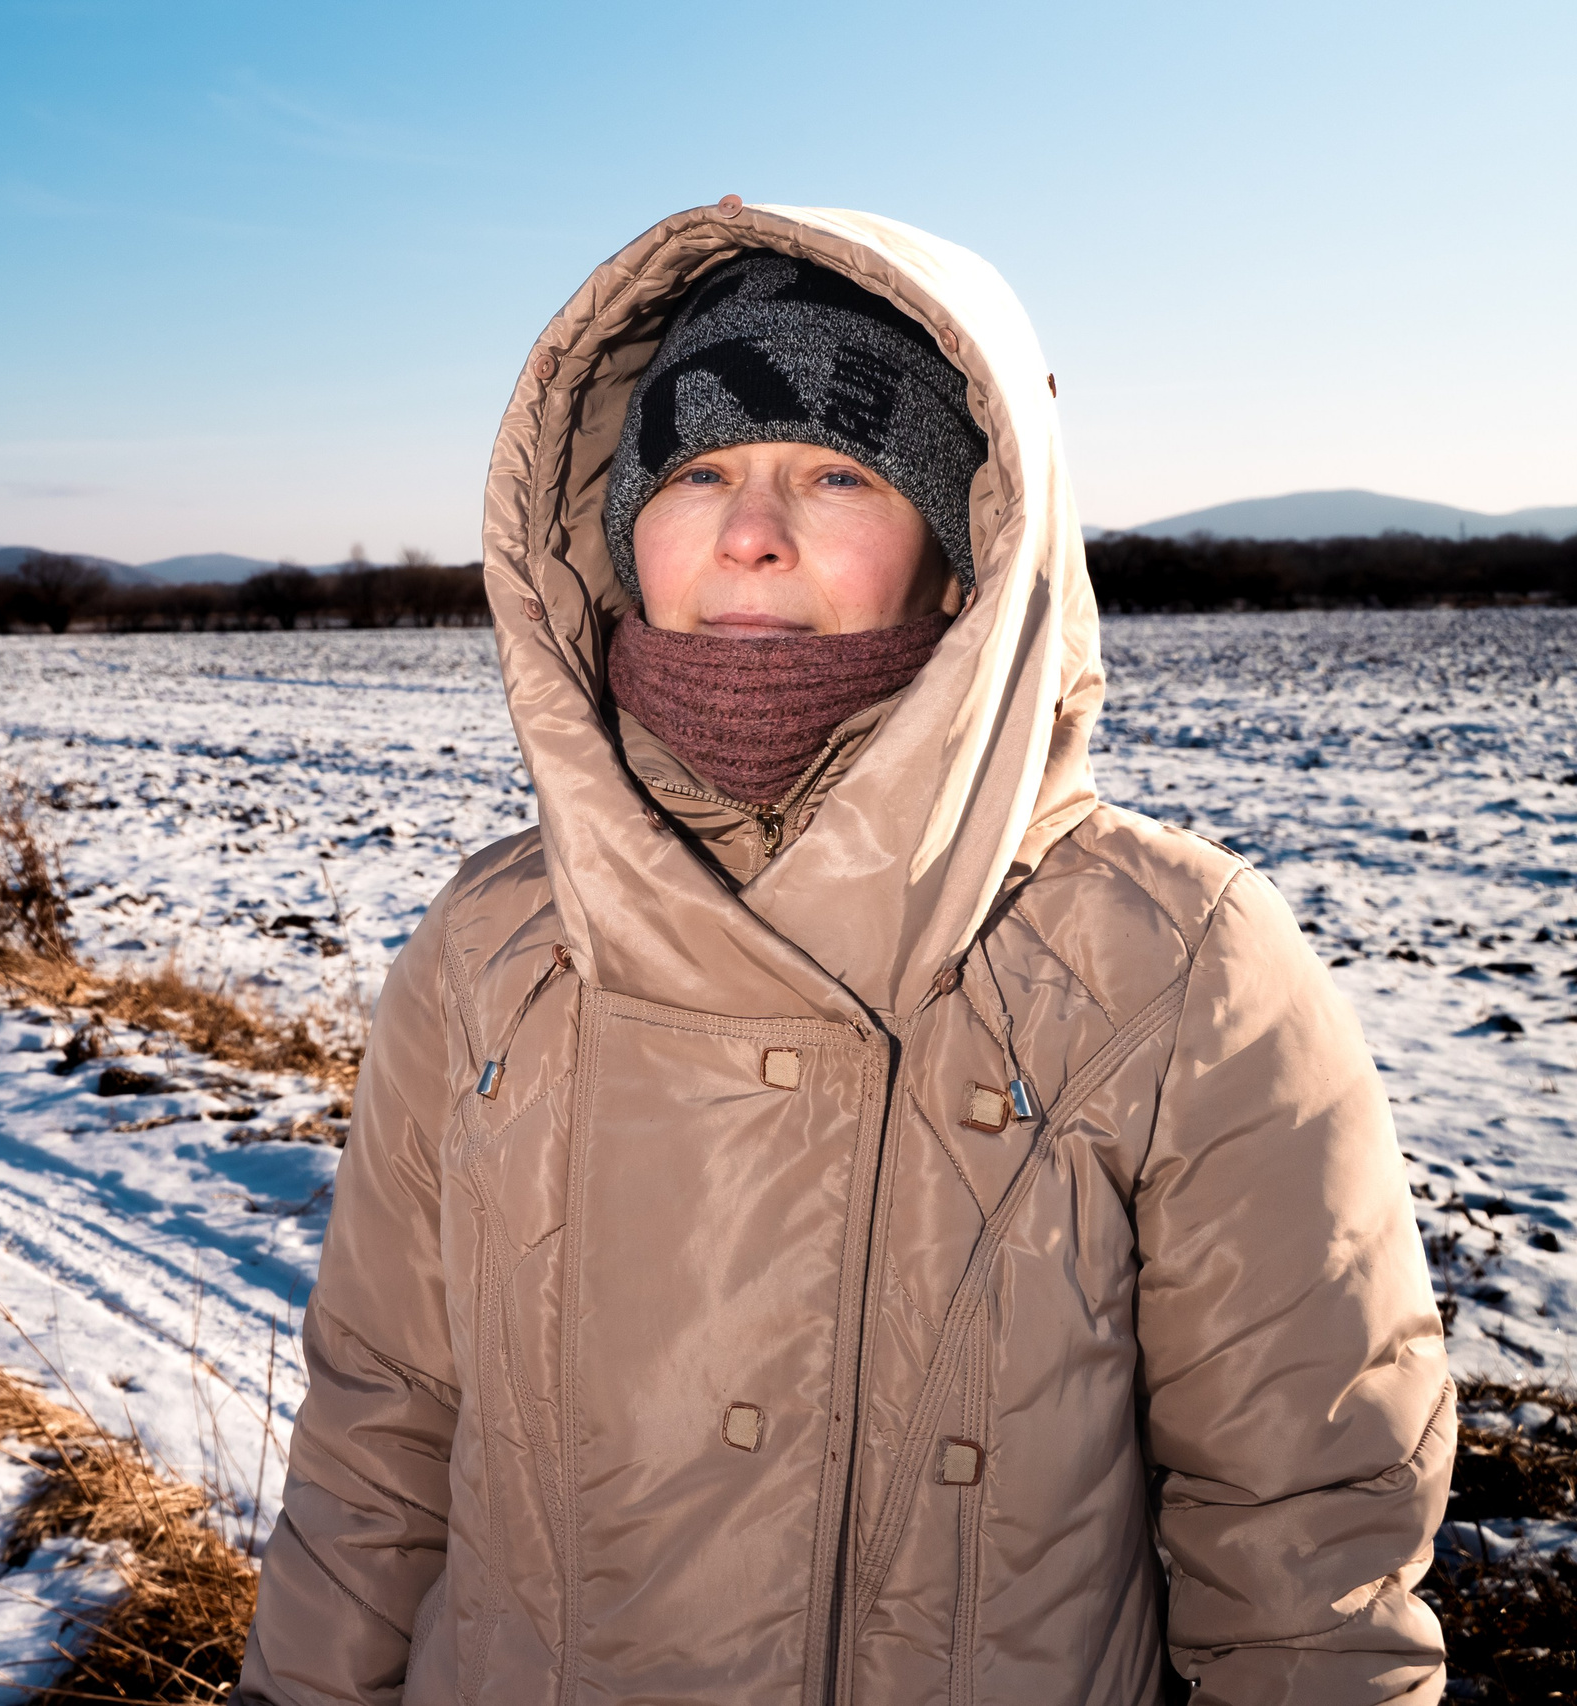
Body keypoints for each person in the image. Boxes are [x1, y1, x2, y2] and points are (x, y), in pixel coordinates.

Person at [237, 201, 1451, 1703]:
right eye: (695, 471)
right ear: (622, 539)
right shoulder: (492, 945)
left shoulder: (1171, 964)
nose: (752, 528)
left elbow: (1301, 1570)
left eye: (837, 469)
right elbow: (378, 1447)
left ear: (962, 555)